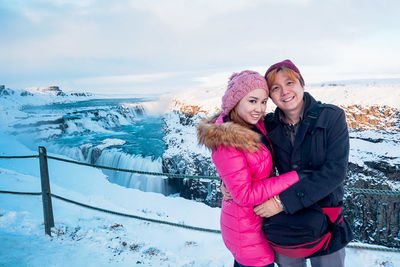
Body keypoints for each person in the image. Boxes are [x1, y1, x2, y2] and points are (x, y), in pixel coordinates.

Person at [253, 59, 353, 267]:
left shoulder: (331, 117)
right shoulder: (268, 126)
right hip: (286, 224)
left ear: (301, 84)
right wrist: (227, 180)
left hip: (326, 220)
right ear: (270, 95)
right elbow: (244, 154)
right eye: (275, 88)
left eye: (289, 83)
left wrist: (282, 202)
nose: (284, 92)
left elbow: (334, 172)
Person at [197, 70, 301, 267]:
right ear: (235, 102)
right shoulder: (228, 141)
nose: (259, 109)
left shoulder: (253, 126)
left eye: (263, 102)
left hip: (252, 223)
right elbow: (244, 195)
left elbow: (241, 174)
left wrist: (226, 182)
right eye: (252, 101)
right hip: (245, 231)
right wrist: (294, 177)